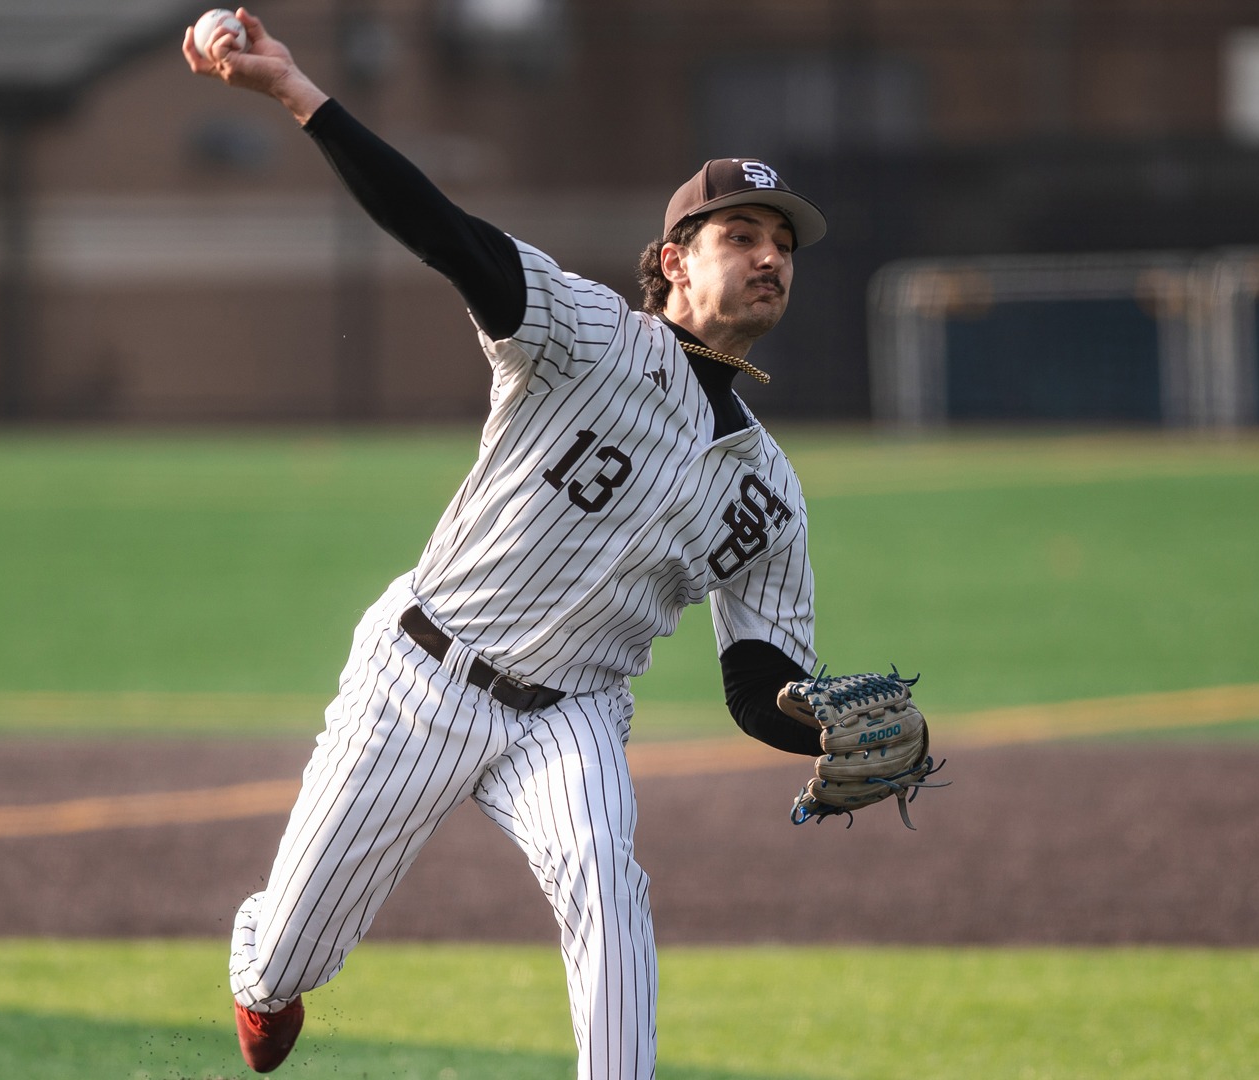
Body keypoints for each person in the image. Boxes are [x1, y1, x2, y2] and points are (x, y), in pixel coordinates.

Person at [184, 10, 830, 1076]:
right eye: (742, 237)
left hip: (569, 713)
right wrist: (301, 93)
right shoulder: (581, 337)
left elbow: (761, 681)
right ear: (673, 260)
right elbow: (444, 231)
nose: (771, 257)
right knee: (295, 949)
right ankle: (263, 970)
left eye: (783, 244)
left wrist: (826, 730)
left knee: (605, 880)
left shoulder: (769, 491)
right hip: (420, 675)